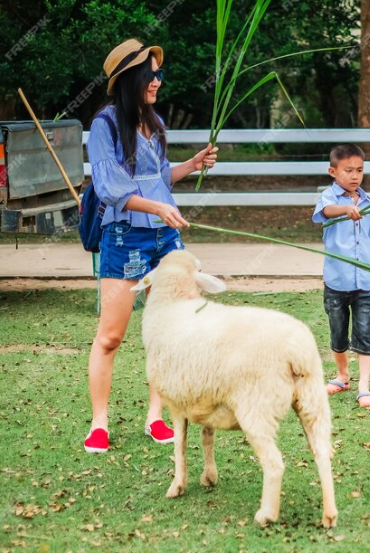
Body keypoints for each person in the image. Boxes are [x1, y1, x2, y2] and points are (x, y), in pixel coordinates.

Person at [83, 39, 218, 453]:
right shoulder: (105, 127)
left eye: (159, 73)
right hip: (125, 237)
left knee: (168, 331)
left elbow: (159, 178)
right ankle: (99, 423)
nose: (159, 80)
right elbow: (112, 190)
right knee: (110, 335)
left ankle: (155, 416)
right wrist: (158, 206)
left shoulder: (155, 122)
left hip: (165, 237)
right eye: (152, 73)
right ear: (130, 79)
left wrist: (192, 165)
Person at [312, 144, 370, 408]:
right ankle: (342, 375)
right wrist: (345, 210)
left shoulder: (369, 201)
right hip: (336, 281)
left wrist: (356, 209)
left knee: (365, 333)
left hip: (365, 281)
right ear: (333, 171)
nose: (355, 176)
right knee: (338, 333)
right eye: (348, 170)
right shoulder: (328, 199)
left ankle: (364, 386)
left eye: (360, 170)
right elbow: (325, 213)